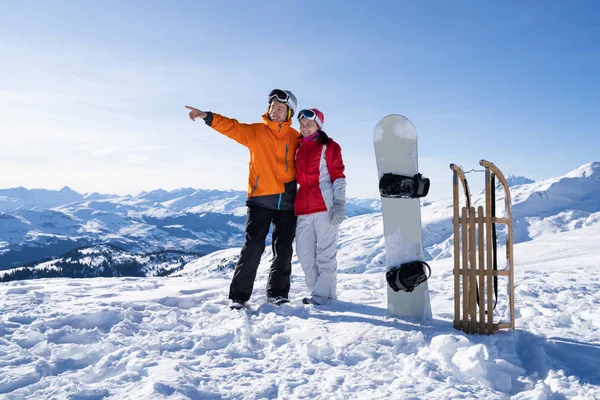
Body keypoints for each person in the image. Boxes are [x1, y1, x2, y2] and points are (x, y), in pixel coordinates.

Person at [185, 89, 301, 310]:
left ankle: (277, 293)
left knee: (283, 249)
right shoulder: (256, 132)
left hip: (287, 202)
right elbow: (232, 127)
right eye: (272, 107)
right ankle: (239, 296)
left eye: (280, 109)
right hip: (259, 200)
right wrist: (207, 116)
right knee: (254, 247)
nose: (274, 111)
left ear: (289, 113)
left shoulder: (295, 137)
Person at [294, 108, 346, 305]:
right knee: (304, 254)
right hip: (304, 205)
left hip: (325, 203)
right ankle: (323, 293)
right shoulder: (298, 148)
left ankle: (321, 297)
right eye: (302, 124)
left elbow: (339, 176)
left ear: (318, 126)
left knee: (325, 254)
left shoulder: (330, 146)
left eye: (309, 124)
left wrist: (340, 203)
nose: (305, 128)